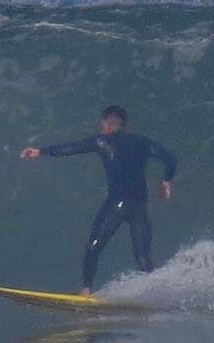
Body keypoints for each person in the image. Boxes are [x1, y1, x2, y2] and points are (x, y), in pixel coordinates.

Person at [20, 105, 178, 293]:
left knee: (93, 248)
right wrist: (166, 180)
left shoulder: (102, 141)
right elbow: (170, 159)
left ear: (107, 125)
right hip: (140, 205)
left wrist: (41, 151)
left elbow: (73, 148)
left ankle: (86, 291)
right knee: (143, 258)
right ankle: (167, 291)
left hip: (117, 204)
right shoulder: (142, 142)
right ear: (123, 125)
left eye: (102, 124)